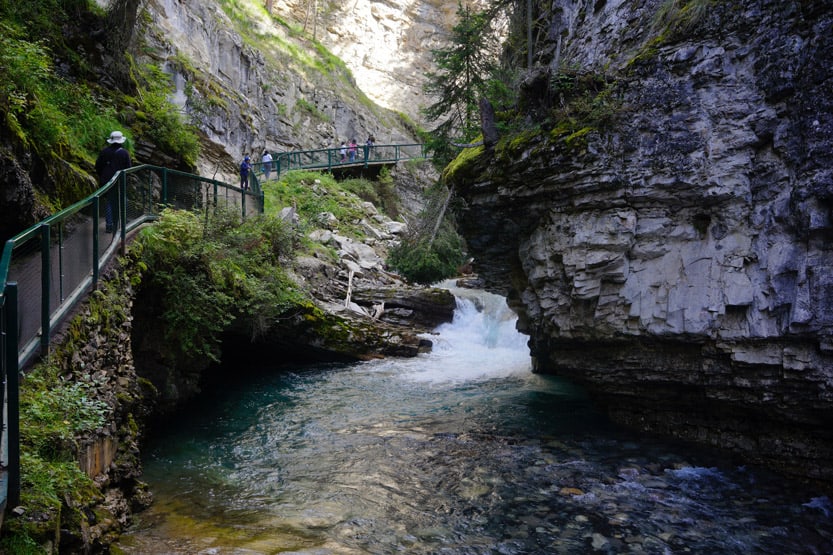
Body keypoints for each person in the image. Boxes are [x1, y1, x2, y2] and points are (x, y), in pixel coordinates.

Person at [95, 130, 132, 233]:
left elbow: (98, 166)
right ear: (121, 141)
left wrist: (102, 176)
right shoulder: (124, 153)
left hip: (106, 180)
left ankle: (109, 225)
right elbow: (128, 168)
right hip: (120, 180)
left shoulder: (104, 152)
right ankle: (122, 223)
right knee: (122, 201)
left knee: (110, 202)